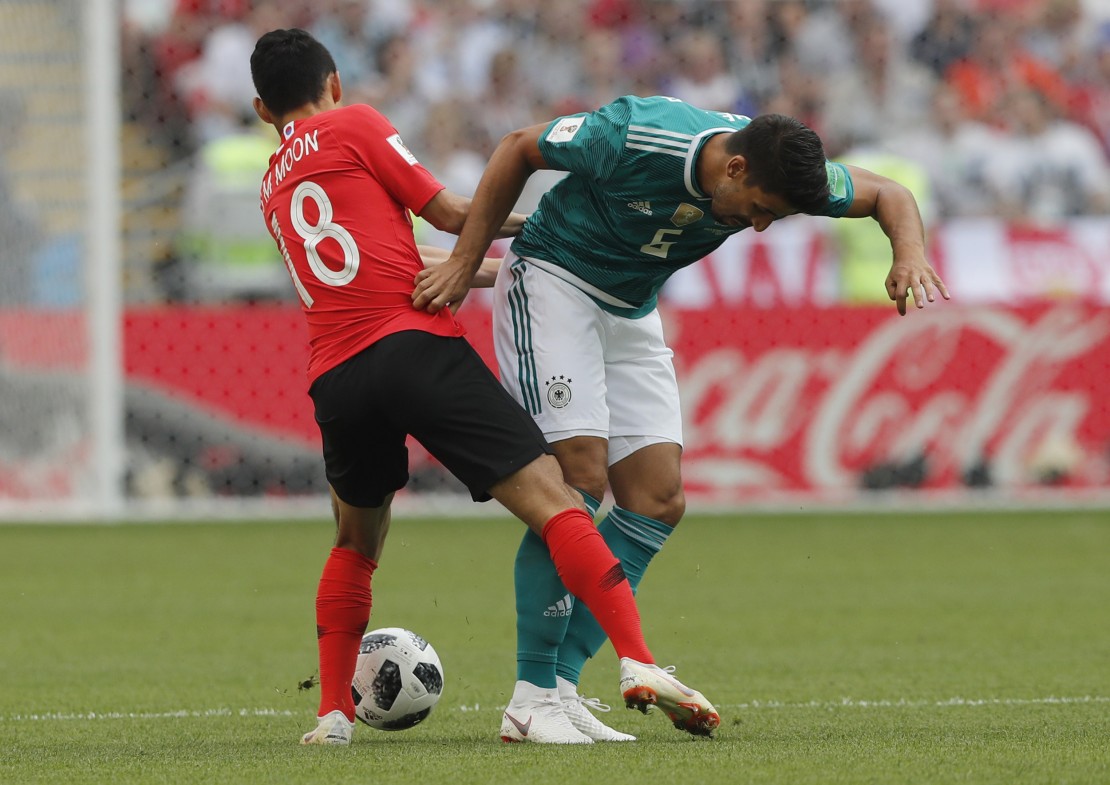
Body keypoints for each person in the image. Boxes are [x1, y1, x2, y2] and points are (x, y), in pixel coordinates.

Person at [413, 94, 949, 742]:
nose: (759, 226)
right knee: (577, 483)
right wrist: (464, 260)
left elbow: (888, 193)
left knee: (657, 500)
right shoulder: (637, 135)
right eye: (760, 208)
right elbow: (518, 146)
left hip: (631, 306)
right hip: (553, 283)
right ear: (734, 168)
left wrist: (909, 253)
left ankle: (564, 688)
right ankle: (531, 697)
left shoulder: (781, 166)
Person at [248, 30, 719, 746]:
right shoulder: (355, 124)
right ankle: (637, 659)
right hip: (413, 349)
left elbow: (391, 257)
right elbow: (449, 214)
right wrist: (551, 227)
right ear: (334, 84)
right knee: (558, 498)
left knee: (355, 542)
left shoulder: (271, 185)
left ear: (262, 109)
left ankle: (333, 716)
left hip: (337, 376)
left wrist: (516, 263)